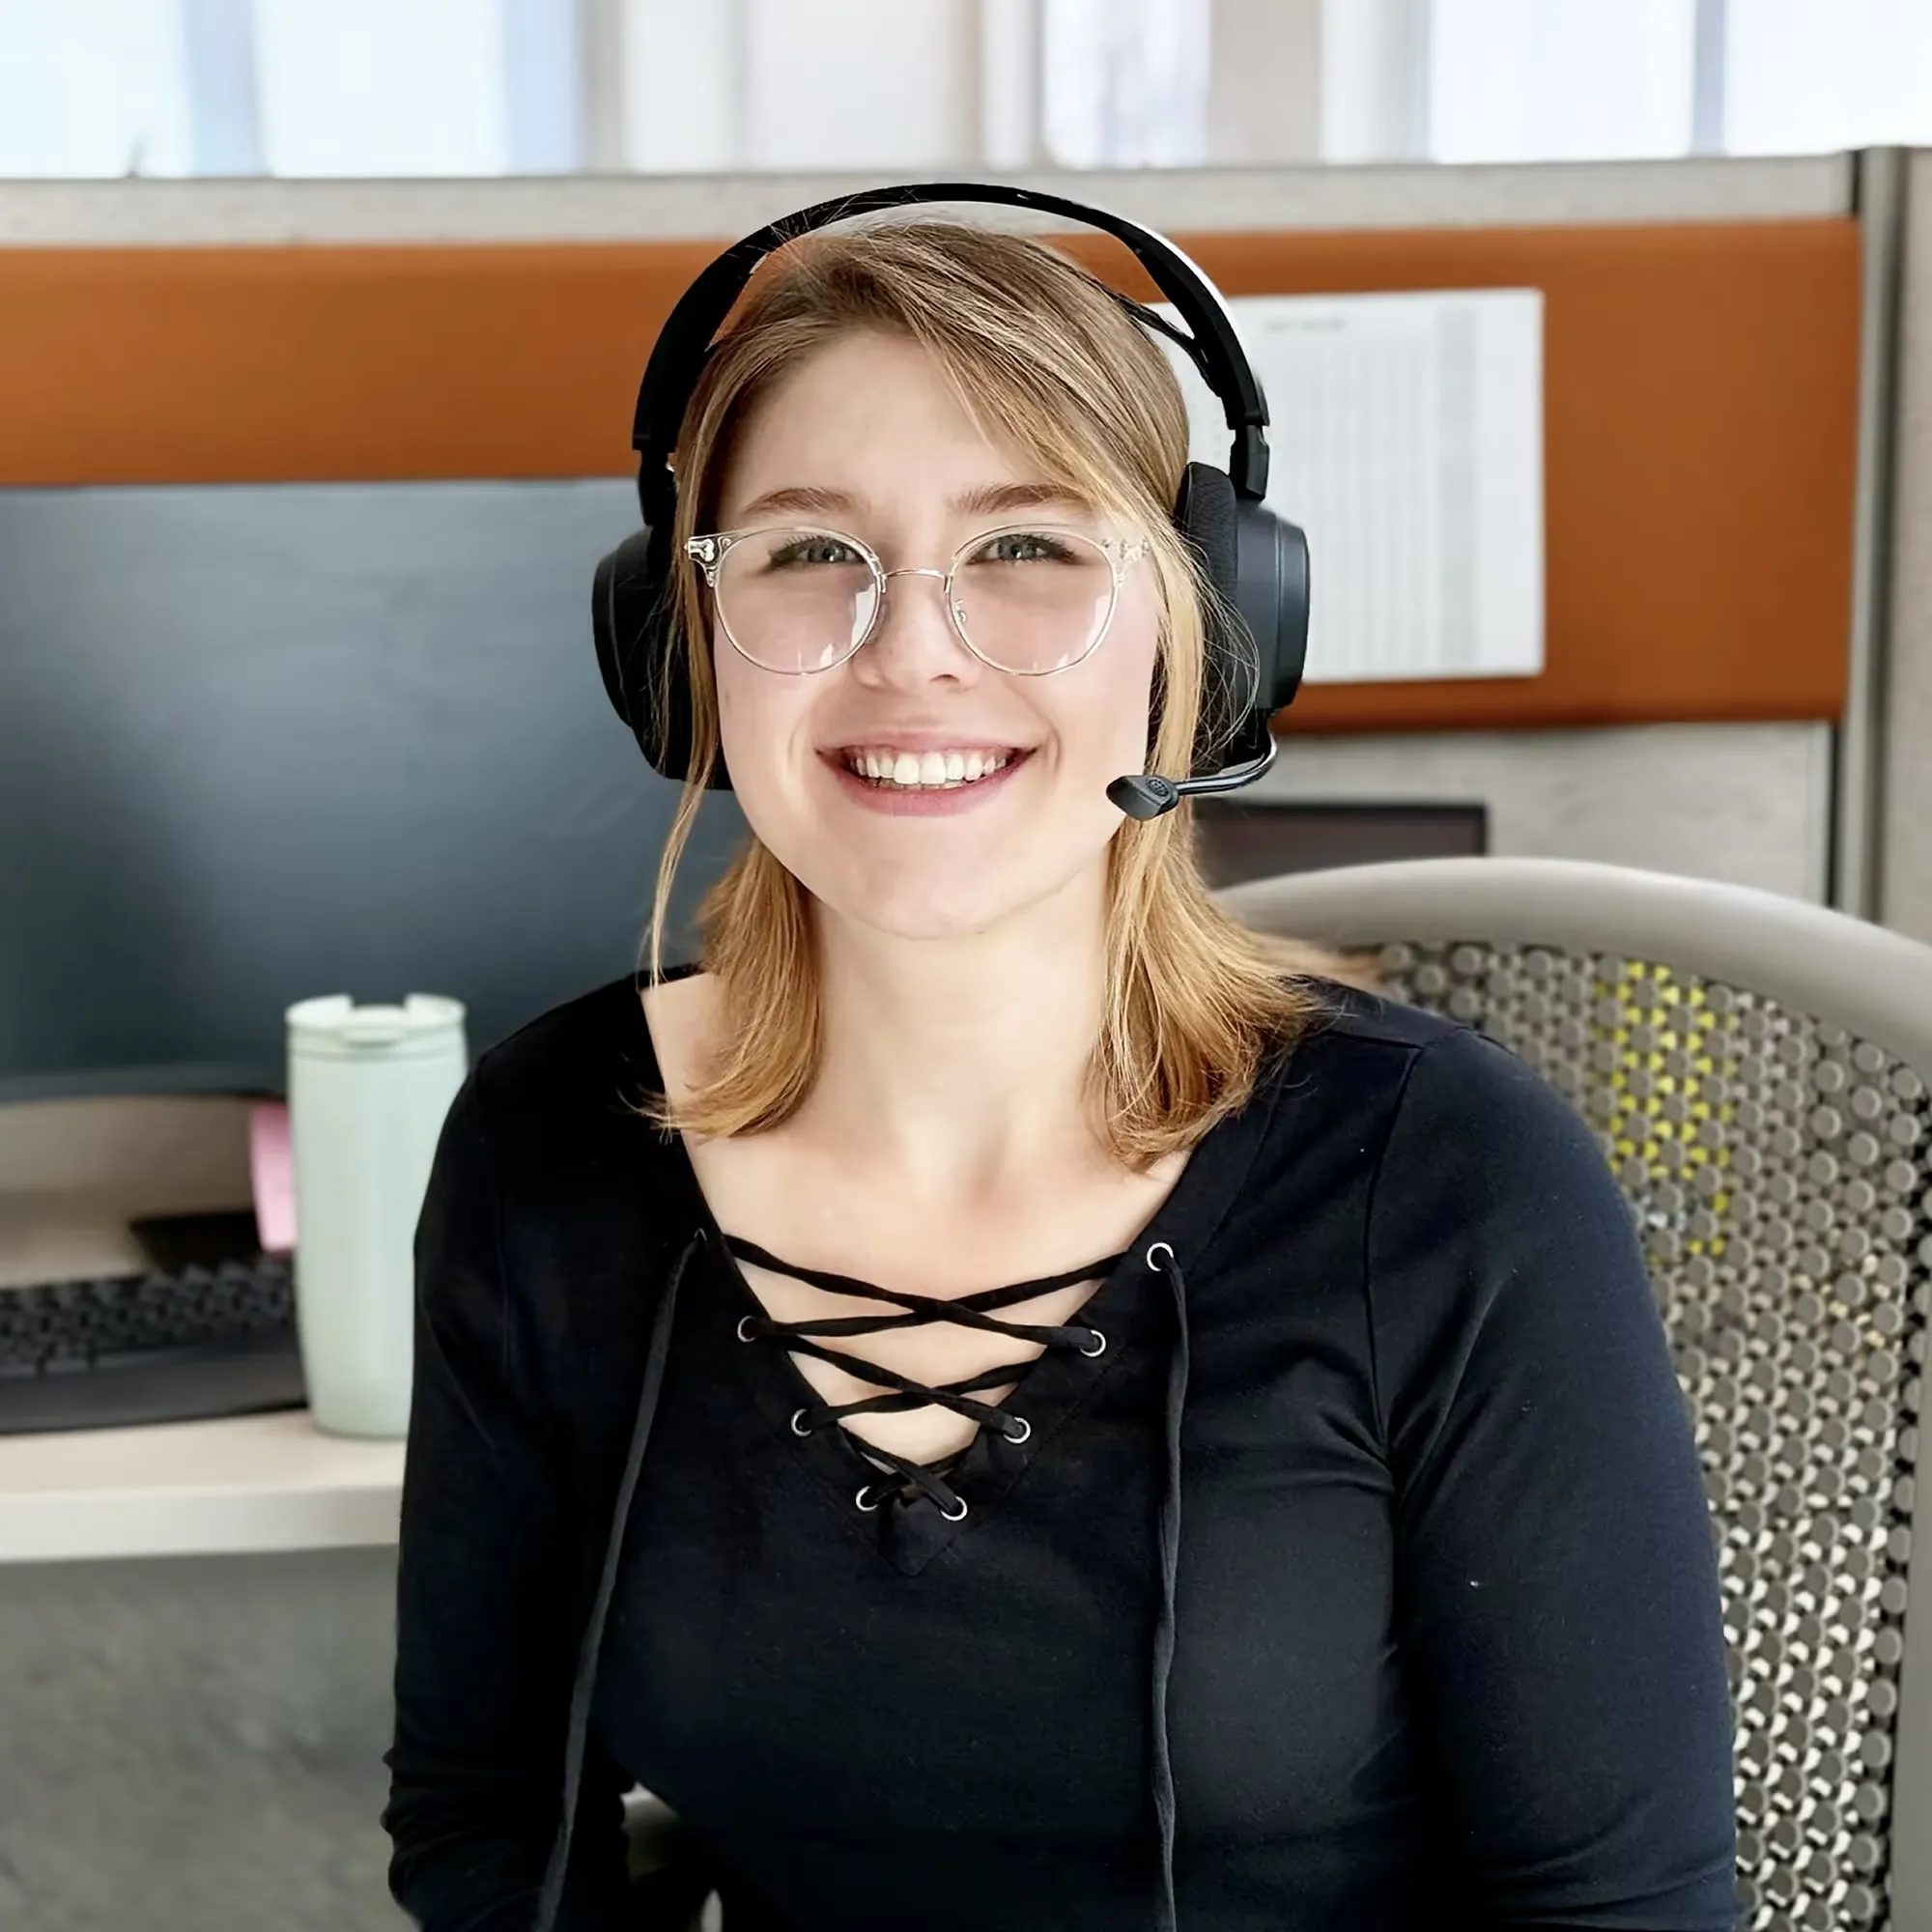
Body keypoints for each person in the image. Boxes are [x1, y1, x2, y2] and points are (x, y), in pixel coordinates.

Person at [381, 210, 1738, 1932]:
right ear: (679, 645)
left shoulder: (1451, 1185)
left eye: (1024, 543)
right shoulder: (551, 1151)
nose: (911, 651)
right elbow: (491, 1835)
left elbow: (1625, 1910)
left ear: (1197, 629)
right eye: (809, 553)